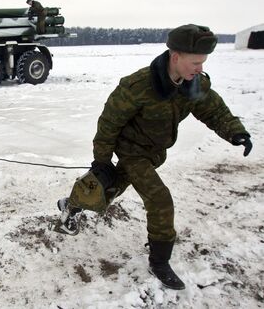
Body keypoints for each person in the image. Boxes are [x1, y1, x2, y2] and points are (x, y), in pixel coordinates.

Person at [58, 24, 253, 290]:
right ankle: (159, 262)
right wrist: (101, 162)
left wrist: (235, 132)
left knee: (109, 191)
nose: (200, 68)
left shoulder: (193, 84)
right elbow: (108, 125)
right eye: (195, 62)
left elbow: (212, 110)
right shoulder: (137, 87)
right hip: (131, 151)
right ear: (176, 57)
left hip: (154, 152)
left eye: (203, 63)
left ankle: (70, 205)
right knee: (160, 199)